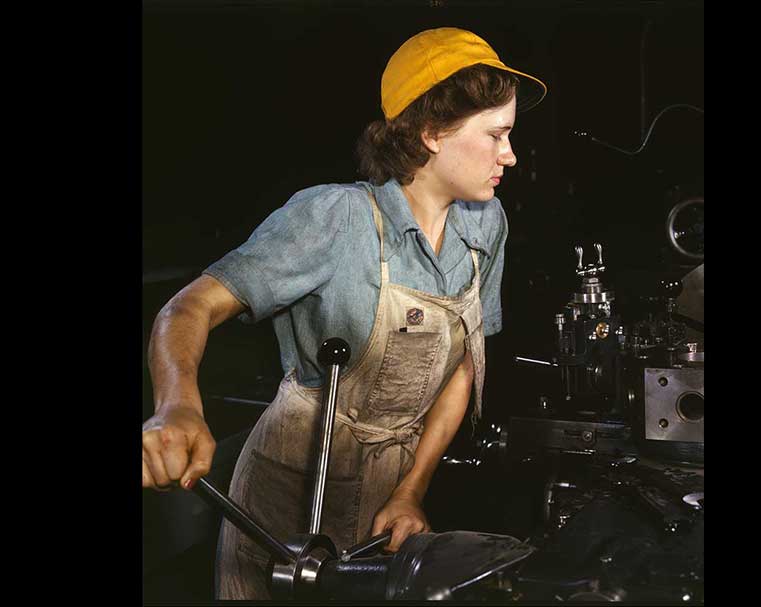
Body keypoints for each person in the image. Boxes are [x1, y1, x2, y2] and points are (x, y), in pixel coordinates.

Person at [142, 27, 546, 600]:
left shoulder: (486, 223)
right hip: (292, 489)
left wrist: (412, 489)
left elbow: (463, 364)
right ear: (431, 133)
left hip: (391, 492)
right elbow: (188, 307)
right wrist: (176, 406)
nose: (510, 154)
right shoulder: (335, 218)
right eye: (496, 135)